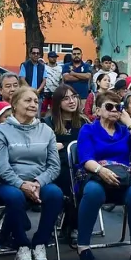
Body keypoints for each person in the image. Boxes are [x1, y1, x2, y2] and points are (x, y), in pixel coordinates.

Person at [0, 87, 63, 260]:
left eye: (35, 101)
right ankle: (21, 247)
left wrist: (38, 182)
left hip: (37, 182)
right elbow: (1, 167)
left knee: (55, 194)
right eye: (27, 101)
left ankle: (40, 244)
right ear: (14, 105)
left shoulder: (46, 130)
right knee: (15, 197)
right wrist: (22, 184)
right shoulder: (0, 132)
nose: (33, 105)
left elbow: (54, 166)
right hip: (7, 183)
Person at [73, 90, 131, 260]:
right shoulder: (88, 130)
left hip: (122, 178)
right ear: (98, 110)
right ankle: (83, 246)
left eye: (118, 107)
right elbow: (86, 159)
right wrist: (101, 171)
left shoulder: (124, 131)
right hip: (96, 175)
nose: (114, 110)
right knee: (93, 192)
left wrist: (130, 123)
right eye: (109, 107)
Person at [47, 84, 86, 245]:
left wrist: (65, 144)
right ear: (58, 103)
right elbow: (48, 149)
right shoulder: (49, 122)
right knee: (69, 180)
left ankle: (73, 225)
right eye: (66, 98)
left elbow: (86, 147)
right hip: (57, 167)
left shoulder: (84, 122)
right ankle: (66, 223)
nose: (72, 101)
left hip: (80, 166)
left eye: (74, 97)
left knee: (82, 183)